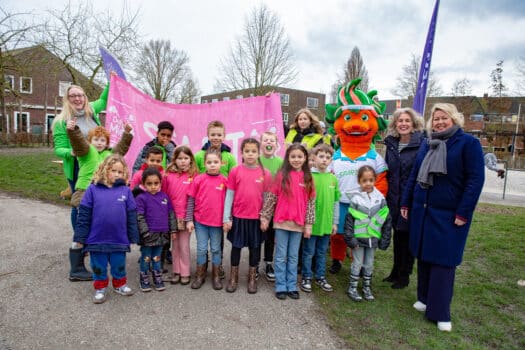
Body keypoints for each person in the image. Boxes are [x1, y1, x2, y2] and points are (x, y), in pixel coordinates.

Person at [401, 103, 485, 332]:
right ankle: (424, 297)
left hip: (449, 214)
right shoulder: (427, 143)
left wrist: (463, 212)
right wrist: (407, 202)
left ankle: (440, 313)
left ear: (454, 119)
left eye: (443, 118)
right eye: (435, 118)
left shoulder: (468, 144)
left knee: (443, 262)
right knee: (424, 255)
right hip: (423, 209)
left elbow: (475, 181)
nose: (438, 122)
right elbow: (414, 176)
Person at [52, 82, 110, 282]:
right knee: (80, 210)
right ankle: (77, 263)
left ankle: (88, 246)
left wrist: (112, 79)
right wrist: (71, 152)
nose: (78, 99)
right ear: (67, 100)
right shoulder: (61, 121)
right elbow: (58, 148)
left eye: (81, 95)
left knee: (95, 208)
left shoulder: (90, 110)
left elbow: (104, 99)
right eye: (73, 96)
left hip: (95, 167)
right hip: (78, 169)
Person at [73, 155, 139, 304]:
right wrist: (80, 238)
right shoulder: (92, 189)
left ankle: (119, 285)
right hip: (96, 239)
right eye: (113, 170)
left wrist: (133, 236)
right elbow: (83, 215)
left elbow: (131, 215)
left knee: (119, 264)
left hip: (119, 239)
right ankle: (100, 288)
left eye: (120, 172)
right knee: (98, 266)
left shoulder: (125, 191)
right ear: (104, 170)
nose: (117, 174)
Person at [260, 144, 316, 300]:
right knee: (280, 255)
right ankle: (280, 285)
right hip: (281, 223)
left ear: (305, 158)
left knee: (292, 256)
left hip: (298, 224)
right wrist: (265, 217)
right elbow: (271, 198)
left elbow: (311, 203)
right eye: (293, 156)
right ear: (288, 158)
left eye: (299, 156)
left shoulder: (308, 178)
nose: (296, 159)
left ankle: (291, 285)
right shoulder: (281, 175)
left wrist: (309, 224)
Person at [383, 108, 425, 289]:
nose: (403, 124)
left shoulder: (422, 144)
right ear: (395, 124)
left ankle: (404, 274)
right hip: (394, 196)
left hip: (410, 198)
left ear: (413, 123)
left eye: (407, 121)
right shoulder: (392, 144)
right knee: (397, 236)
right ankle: (395, 270)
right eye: (400, 121)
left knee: (406, 237)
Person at [223, 138, 272, 293]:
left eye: (253, 151)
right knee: (236, 247)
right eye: (247, 151)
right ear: (242, 152)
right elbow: (229, 196)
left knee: (255, 248)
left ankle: (252, 278)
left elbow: (268, 199)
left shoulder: (266, 173)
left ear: (259, 153)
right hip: (238, 217)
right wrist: (226, 218)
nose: (250, 154)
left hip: (256, 219)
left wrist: (265, 218)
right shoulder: (235, 171)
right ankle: (233, 277)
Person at [194, 120, 237, 279]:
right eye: (213, 134)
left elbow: (234, 180)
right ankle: (202, 269)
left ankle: (217, 270)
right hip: (204, 207)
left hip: (221, 206)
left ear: (224, 136)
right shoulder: (199, 155)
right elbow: (195, 176)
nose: (216, 137)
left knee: (217, 245)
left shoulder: (229, 157)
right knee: (202, 246)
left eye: (219, 135)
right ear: (208, 135)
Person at [344, 166, 392, 302]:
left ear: (375, 180)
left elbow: (386, 219)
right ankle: (352, 287)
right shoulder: (356, 199)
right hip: (359, 239)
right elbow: (349, 221)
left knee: (369, 263)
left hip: (373, 238)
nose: (368, 183)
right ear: (359, 181)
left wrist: (385, 239)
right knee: (357, 263)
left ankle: (366, 287)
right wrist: (351, 239)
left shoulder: (380, 199)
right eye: (364, 180)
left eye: (371, 180)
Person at [186, 149, 228, 290]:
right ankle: (200, 275)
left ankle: (215, 276)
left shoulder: (224, 181)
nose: (212, 165)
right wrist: (189, 220)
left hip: (217, 223)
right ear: (204, 163)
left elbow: (229, 203)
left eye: (215, 162)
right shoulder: (198, 179)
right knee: (201, 248)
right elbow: (191, 200)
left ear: (221, 163)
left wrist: (227, 219)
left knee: (216, 249)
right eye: (209, 162)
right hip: (200, 222)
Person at [300, 144, 340, 293]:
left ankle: (320, 276)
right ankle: (306, 276)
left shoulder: (333, 179)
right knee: (308, 252)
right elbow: (304, 202)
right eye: (321, 156)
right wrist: (305, 222)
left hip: (326, 224)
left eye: (328, 157)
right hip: (312, 224)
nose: (324, 160)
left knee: (322, 252)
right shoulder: (309, 177)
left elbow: (336, 202)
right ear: (314, 158)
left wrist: (335, 222)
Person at [66, 121, 133, 208]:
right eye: (96, 139)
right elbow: (79, 142)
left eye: (102, 140)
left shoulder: (110, 154)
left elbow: (122, 147)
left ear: (107, 143)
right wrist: (73, 131)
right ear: (90, 141)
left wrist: (127, 133)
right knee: (82, 214)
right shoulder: (86, 151)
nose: (99, 143)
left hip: (104, 189)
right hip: (84, 189)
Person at [135, 167, 178, 292]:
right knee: (146, 257)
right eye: (149, 184)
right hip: (148, 235)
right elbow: (139, 217)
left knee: (157, 257)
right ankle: (144, 278)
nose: (153, 186)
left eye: (156, 183)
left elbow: (171, 214)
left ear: (160, 183)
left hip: (162, 235)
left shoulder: (164, 197)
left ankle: (157, 276)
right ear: (143, 184)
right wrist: (145, 232)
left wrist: (173, 230)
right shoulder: (141, 198)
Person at [162, 146, 199, 285]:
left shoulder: (194, 176)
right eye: (180, 158)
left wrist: (191, 219)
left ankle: (185, 273)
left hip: (185, 217)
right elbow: (164, 196)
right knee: (175, 245)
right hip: (172, 217)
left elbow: (194, 198)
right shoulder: (168, 175)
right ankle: (176, 272)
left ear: (190, 160)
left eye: (186, 158)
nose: (183, 161)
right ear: (175, 160)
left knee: (184, 246)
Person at [258, 131, 283, 281]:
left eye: (271, 141)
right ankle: (253, 264)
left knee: (270, 236)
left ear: (276, 144)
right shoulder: (256, 160)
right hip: (256, 203)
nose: (268, 143)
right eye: (265, 140)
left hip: (273, 205)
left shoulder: (280, 162)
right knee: (256, 236)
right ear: (261, 144)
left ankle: (268, 263)